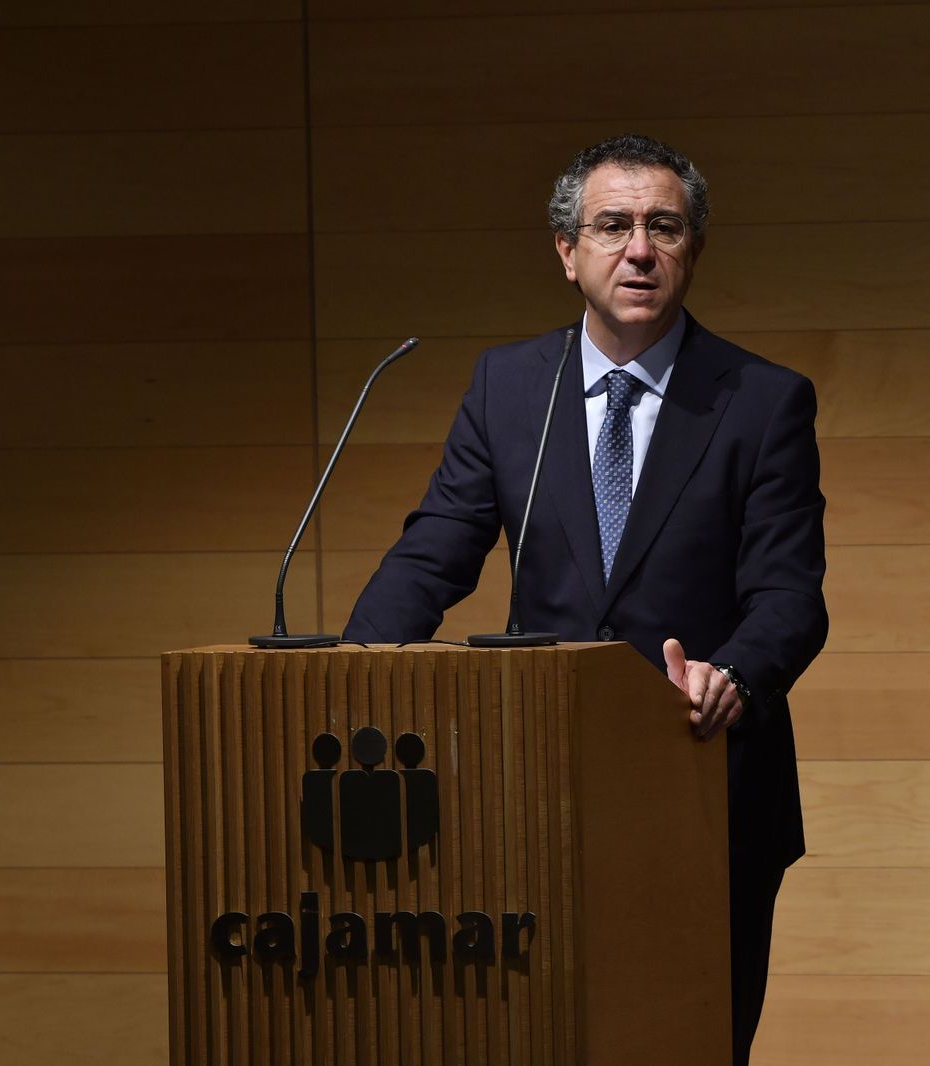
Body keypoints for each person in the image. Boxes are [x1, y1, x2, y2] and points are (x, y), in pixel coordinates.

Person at [344, 133, 827, 1064]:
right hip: (536, 784)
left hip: (702, 785)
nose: (638, 248)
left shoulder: (764, 401)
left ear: (694, 249)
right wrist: (354, 670)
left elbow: (790, 595)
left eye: (663, 227)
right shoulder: (509, 388)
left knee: (688, 1044)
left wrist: (735, 671)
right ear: (568, 253)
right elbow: (433, 556)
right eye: (612, 226)